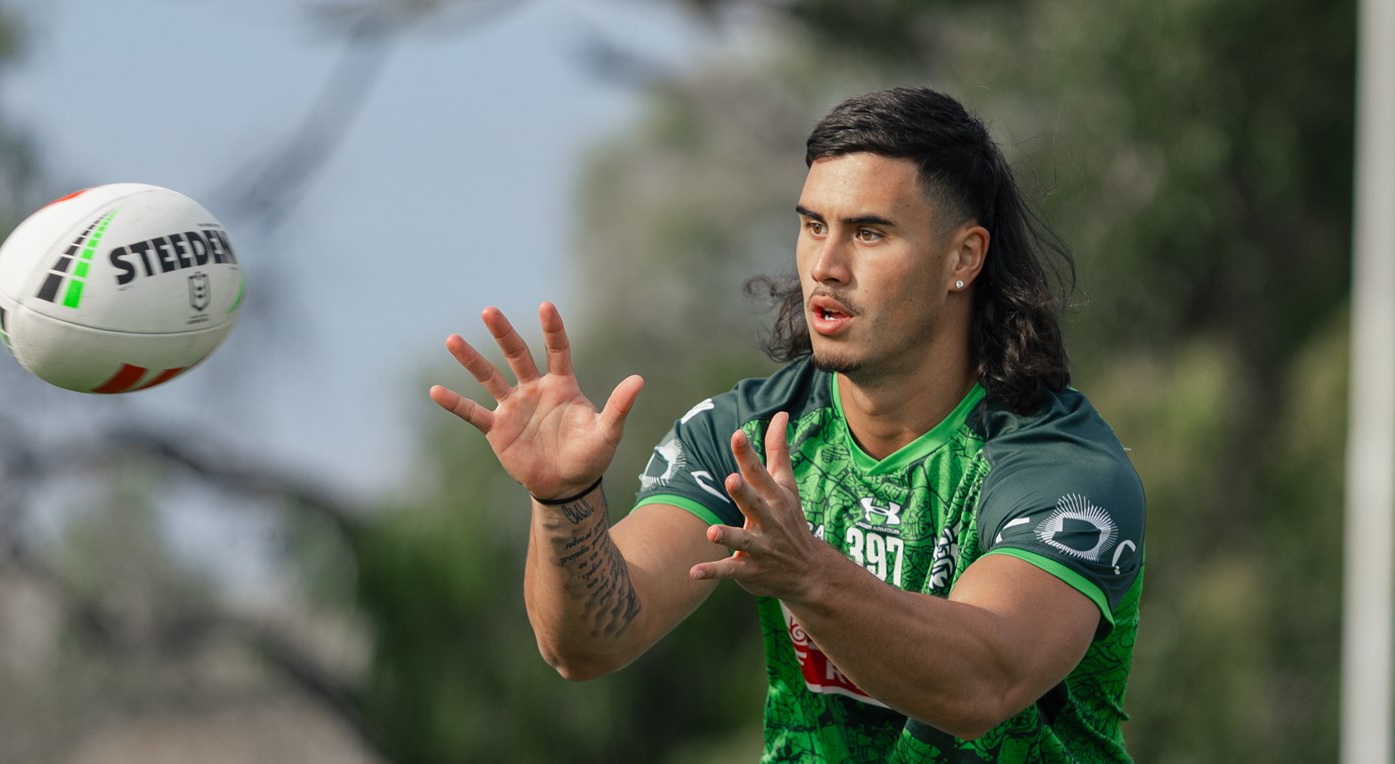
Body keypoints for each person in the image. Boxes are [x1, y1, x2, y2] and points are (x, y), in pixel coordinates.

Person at [429, 86, 1145, 762]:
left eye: (869, 233)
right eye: (813, 226)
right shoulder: (749, 433)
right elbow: (587, 646)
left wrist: (809, 576)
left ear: (963, 258)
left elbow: (981, 685)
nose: (825, 266)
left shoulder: (1062, 468)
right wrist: (565, 500)